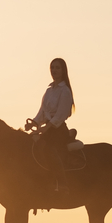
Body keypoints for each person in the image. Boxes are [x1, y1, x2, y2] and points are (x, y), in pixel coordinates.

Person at [25, 57, 75, 191]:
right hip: (47, 128)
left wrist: (44, 129)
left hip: (58, 130)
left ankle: (61, 183)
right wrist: (33, 123)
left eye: (57, 68)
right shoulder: (49, 91)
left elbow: (60, 116)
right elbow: (42, 112)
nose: (54, 70)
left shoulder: (65, 91)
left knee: (49, 149)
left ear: (63, 70)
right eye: (52, 68)